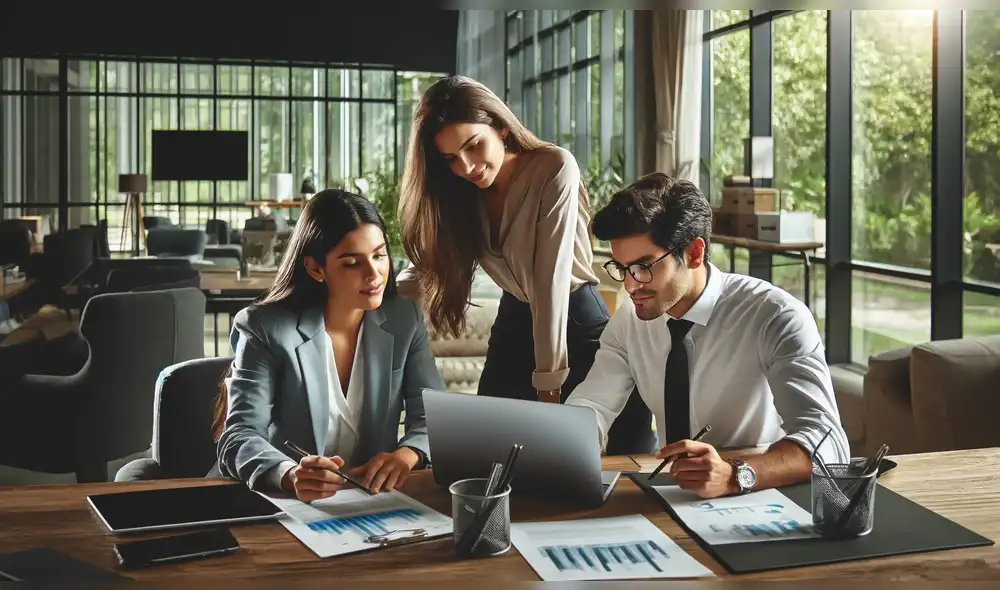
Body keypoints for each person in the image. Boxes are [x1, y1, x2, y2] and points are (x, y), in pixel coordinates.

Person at [396, 75, 655, 454]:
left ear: (500, 128)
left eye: (473, 145)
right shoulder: (462, 191)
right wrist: (369, 289)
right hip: (514, 320)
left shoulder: (554, 167)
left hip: (575, 323)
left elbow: (549, 283)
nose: (466, 166)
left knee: (612, 460)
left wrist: (548, 385)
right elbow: (428, 268)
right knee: (486, 455)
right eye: (451, 158)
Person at [565, 173, 849, 499]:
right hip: (675, 492)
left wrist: (735, 474)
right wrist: (563, 443)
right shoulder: (630, 320)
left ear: (694, 253)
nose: (630, 286)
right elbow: (593, 405)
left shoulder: (776, 316)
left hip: (764, 495)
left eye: (644, 267)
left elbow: (828, 443)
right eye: (622, 268)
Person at [213, 189, 445, 502]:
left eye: (379, 255)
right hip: (283, 504)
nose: (373, 274)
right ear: (315, 268)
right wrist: (289, 474)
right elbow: (239, 436)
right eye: (352, 263)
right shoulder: (264, 327)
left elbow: (433, 418)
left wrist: (406, 455)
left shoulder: (405, 319)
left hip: (372, 502)